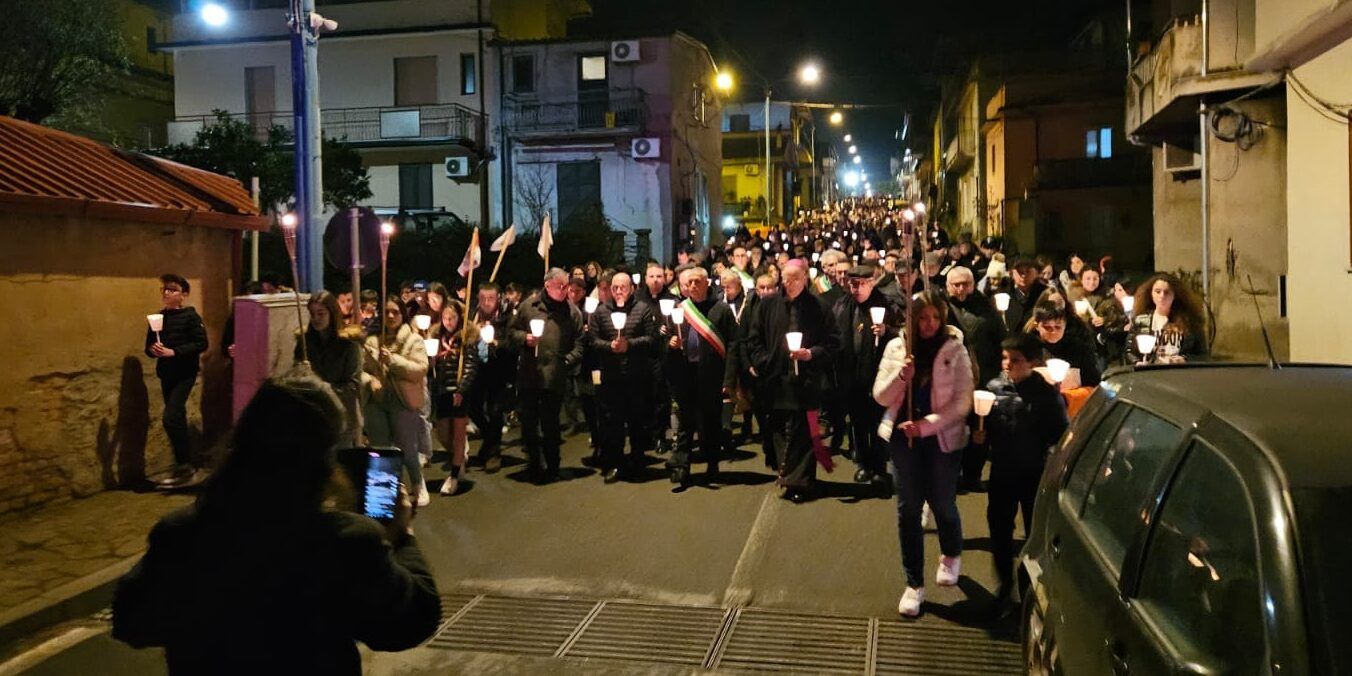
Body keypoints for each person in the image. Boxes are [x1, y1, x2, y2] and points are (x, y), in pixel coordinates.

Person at [111, 375, 441, 673]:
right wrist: (401, 535)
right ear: (322, 459)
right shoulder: (345, 541)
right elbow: (410, 621)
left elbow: (131, 621)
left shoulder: (181, 534)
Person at [872, 291, 974, 618]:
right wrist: (902, 376)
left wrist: (926, 426)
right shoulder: (897, 348)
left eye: (934, 317)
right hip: (904, 440)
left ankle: (951, 552)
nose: (929, 324)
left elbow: (962, 403)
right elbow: (880, 396)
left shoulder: (955, 350)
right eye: (922, 318)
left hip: (941, 438)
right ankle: (913, 583)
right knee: (908, 510)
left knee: (943, 503)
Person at [976, 333, 1068, 608]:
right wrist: (979, 437)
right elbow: (984, 427)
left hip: (1033, 474)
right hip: (1003, 472)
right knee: (1000, 528)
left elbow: (1060, 435)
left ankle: (1030, 586)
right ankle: (1004, 584)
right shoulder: (993, 388)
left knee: (1033, 533)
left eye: (1015, 360)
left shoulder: (1047, 395)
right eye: (1005, 358)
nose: (1008, 364)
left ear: (1031, 363)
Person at [746, 260, 841, 502]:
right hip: (775, 379)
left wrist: (811, 354)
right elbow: (754, 338)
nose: (788, 284)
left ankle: (800, 482)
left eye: (794, 279)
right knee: (777, 429)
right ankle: (787, 474)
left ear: (805, 279)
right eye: (785, 279)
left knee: (801, 433)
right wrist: (763, 362)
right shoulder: (768, 305)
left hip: (805, 380)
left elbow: (833, 342)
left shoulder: (819, 306)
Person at [665, 266, 739, 486]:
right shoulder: (680, 309)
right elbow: (667, 337)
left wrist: (729, 379)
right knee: (685, 423)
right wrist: (670, 343)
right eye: (690, 283)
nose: (693, 286)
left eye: (698, 282)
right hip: (685, 374)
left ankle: (712, 462)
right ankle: (682, 466)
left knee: (710, 423)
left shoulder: (722, 309)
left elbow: (733, 345)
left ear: (708, 283)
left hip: (712, 375)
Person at [509, 268, 585, 483]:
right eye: (560, 286)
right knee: (529, 423)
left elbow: (580, 345)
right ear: (548, 285)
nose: (564, 290)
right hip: (529, 374)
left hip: (554, 377)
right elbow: (511, 332)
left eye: (566, 286)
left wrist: (565, 362)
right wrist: (525, 338)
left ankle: (553, 465)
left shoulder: (572, 313)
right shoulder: (529, 307)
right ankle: (534, 462)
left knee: (551, 424)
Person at [832, 264, 899, 487]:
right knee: (858, 424)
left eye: (861, 284)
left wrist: (886, 331)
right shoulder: (842, 305)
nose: (856, 288)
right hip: (851, 375)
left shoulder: (886, 304)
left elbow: (902, 334)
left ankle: (879, 467)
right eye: (852, 284)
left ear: (871, 283)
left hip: (878, 374)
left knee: (878, 422)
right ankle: (864, 465)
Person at [588, 272, 659, 482]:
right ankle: (615, 464)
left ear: (632, 289)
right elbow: (592, 340)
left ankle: (638, 461)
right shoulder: (602, 312)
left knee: (637, 421)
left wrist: (630, 345)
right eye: (615, 288)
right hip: (612, 377)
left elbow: (651, 338)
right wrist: (609, 346)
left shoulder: (642, 309)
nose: (619, 291)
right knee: (613, 423)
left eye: (623, 287)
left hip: (637, 375)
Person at [362, 296, 432, 507]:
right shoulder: (372, 341)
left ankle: (418, 484)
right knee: (380, 448)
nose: (391, 316)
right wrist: (370, 381)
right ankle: (384, 494)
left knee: (407, 448)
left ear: (403, 315)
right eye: (386, 312)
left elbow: (419, 369)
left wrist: (392, 360)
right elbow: (361, 370)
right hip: (377, 400)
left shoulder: (413, 340)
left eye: (395, 312)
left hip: (403, 401)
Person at [144, 273, 209, 488]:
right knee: (177, 418)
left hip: (185, 374)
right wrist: (154, 350)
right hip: (167, 374)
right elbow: (149, 348)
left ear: (183, 295)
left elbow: (201, 344)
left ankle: (186, 464)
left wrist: (175, 352)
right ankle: (185, 465)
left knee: (170, 417)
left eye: (172, 290)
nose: (166, 293)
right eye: (164, 289)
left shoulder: (191, 317)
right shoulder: (158, 318)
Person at [295, 290, 363, 443]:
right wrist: (300, 373)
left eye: (321, 313)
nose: (316, 318)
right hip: (312, 417)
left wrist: (321, 387)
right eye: (312, 314)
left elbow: (353, 386)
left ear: (332, 313)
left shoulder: (348, 345)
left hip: (341, 417)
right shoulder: (305, 343)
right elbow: (295, 382)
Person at [430, 300, 479, 496]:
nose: (448, 321)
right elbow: (431, 367)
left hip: (459, 391)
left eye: (452, 318)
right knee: (442, 433)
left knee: (459, 434)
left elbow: (470, 366)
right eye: (445, 318)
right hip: (442, 391)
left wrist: (461, 389)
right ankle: (460, 461)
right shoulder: (436, 336)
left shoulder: (467, 337)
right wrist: (430, 360)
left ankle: (454, 475)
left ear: (459, 318)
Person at [469, 283, 512, 473]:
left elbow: (512, 343)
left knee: (495, 411)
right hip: (476, 369)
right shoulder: (471, 316)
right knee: (473, 407)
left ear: (498, 298)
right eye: (483, 298)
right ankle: (489, 440)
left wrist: (496, 342)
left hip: (498, 369)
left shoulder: (506, 318)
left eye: (491, 298)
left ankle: (493, 452)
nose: (486, 302)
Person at [1130, 272, 1208, 363]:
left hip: (1179, 373)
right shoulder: (1141, 321)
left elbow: (1202, 355)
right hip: (1151, 372)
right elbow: (1130, 351)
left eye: (1167, 292)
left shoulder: (1189, 322)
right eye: (1157, 292)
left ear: (1175, 295)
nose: (1162, 296)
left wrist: (1185, 359)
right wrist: (1137, 362)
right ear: (1151, 293)